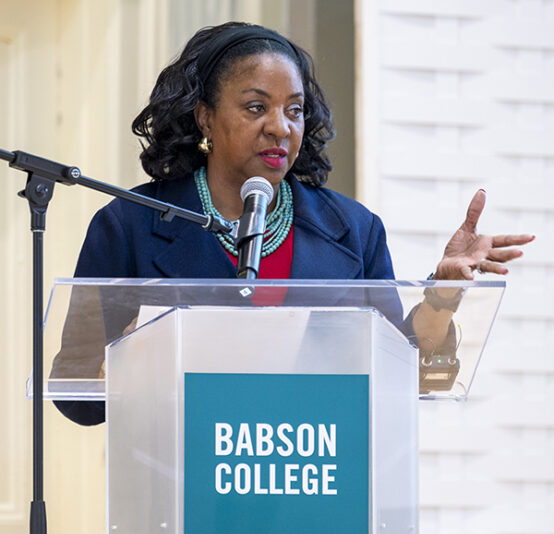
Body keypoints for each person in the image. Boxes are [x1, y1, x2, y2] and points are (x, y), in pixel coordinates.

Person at [56, 21, 534, 425]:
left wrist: (441, 294)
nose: (281, 127)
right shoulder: (128, 226)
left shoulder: (354, 230)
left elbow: (402, 375)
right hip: (178, 491)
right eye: (256, 107)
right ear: (204, 117)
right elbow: (75, 390)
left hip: (318, 489)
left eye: (295, 110)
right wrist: (147, 367)